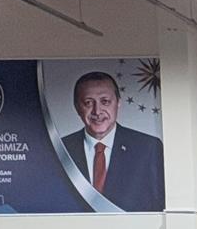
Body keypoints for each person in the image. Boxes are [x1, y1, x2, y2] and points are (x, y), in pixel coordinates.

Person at [60, 71, 164, 212]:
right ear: (77, 107)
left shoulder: (148, 148)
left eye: (105, 101)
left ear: (118, 102)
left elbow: (159, 207)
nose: (97, 111)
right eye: (88, 103)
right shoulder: (60, 149)